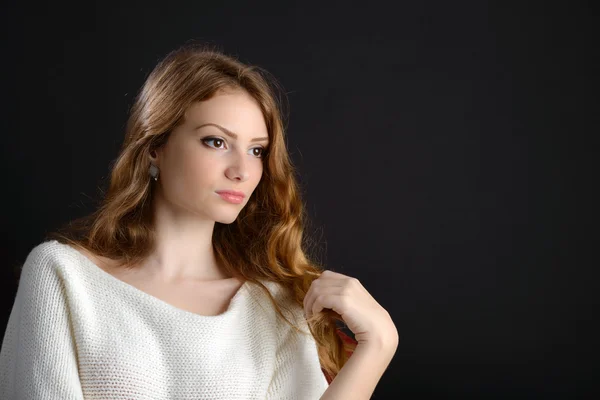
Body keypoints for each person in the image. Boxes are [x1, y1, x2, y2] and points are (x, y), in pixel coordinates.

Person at [0, 43, 397, 399]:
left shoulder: (272, 307)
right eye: (216, 141)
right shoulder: (63, 278)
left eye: (257, 150)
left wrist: (378, 346)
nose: (242, 170)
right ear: (156, 145)